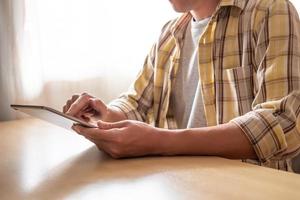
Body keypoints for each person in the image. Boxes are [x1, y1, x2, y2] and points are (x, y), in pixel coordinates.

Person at [63, 0, 300, 172]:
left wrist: (161, 141)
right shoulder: (169, 33)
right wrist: (104, 116)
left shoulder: (270, 11)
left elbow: (283, 123)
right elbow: (137, 103)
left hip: (253, 188)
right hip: (181, 183)